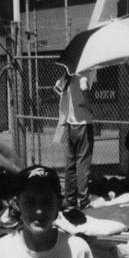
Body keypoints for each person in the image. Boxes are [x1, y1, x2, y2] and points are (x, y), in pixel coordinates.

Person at [54, 70, 94, 208]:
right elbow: (84, 90)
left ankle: (70, 198)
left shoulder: (67, 77)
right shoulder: (83, 75)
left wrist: (70, 103)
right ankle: (83, 199)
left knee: (71, 162)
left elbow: (57, 87)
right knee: (83, 162)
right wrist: (87, 106)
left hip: (71, 125)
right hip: (83, 123)